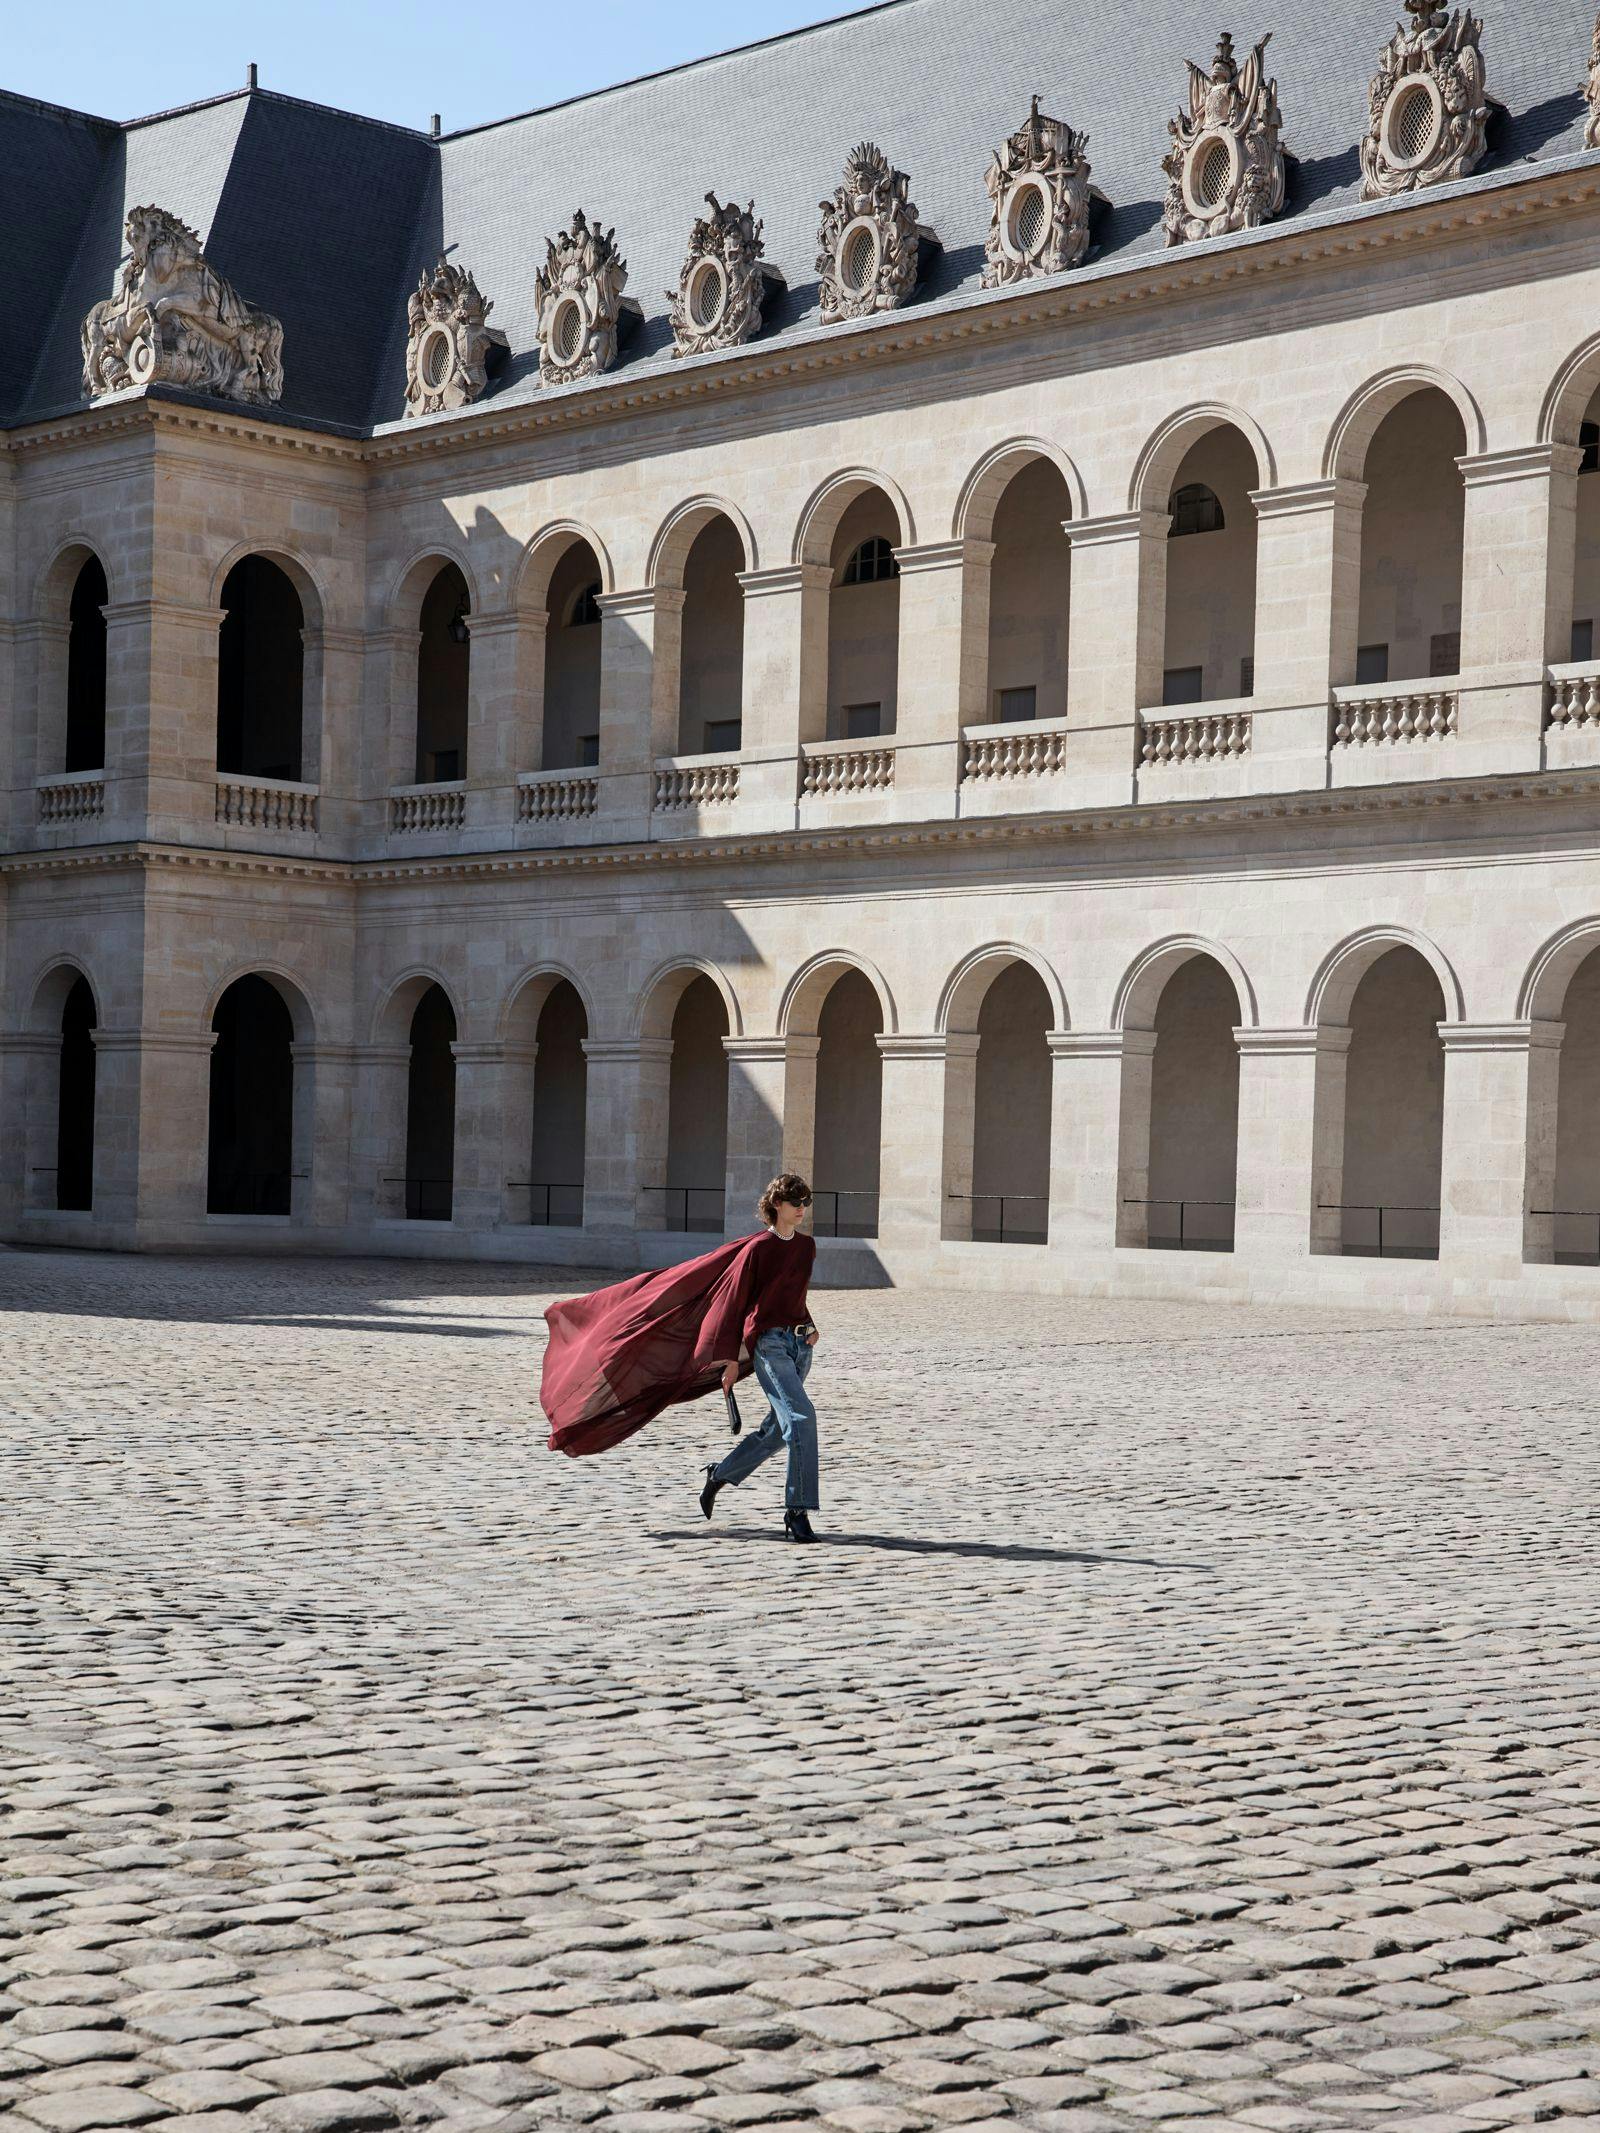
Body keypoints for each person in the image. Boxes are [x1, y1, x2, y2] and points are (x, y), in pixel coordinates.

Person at [697, 1173, 821, 1542]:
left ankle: (720, 1473)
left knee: (779, 1431)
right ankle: (797, 1511)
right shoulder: (757, 1249)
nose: (801, 1209)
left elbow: (793, 1295)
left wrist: (810, 1324)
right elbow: (736, 1305)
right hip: (769, 1346)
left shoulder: (806, 1246)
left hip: (800, 1346)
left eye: (805, 1202)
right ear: (777, 1205)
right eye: (795, 1202)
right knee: (801, 1418)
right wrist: (731, 1360)